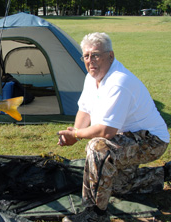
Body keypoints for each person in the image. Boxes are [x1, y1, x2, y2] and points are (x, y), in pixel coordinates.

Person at [57, 32, 170, 222]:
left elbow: (106, 131)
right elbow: (85, 111)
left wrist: (76, 135)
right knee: (115, 184)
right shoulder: (91, 78)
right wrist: (72, 133)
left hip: (152, 140)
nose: (90, 61)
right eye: (86, 56)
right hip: (126, 136)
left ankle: (95, 214)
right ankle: (165, 173)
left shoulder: (119, 81)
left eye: (96, 55)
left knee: (98, 148)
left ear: (111, 56)